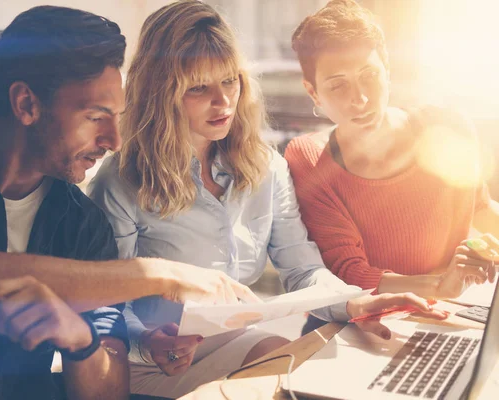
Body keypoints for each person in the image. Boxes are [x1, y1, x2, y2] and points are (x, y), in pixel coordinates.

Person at [88, 1, 447, 398]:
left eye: (229, 81)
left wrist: (356, 303)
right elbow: (105, 305)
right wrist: (148, 341)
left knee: (303, 371)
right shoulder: (121, 181)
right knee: (281, 370)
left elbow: (303, 268)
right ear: (162, 93)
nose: (223, 102)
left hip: (240, 343)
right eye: (198, 88)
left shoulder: (265, 167)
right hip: (149, 365)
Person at [0, 6, 258, 400]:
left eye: (117, 117)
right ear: (26, 104)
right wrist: (163, 275)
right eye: (95, 117)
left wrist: (81, 341)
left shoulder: (84, 225)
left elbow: (108, 392)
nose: (113, 141)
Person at [284, 0, 498, 304]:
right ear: (313, 91)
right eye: (338, 85)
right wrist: (440, 286)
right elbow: (348, 272)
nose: (359, 98)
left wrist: (481, 254)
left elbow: (480, 206)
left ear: (387, 69)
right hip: (357, 325)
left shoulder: (446, 125)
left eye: (369, 75)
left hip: (448, 311)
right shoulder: (309, 158)